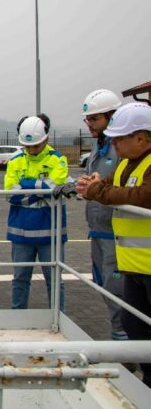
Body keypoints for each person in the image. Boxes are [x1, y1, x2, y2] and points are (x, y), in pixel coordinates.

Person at [76, 102, 151, 386]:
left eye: (121, 138)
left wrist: (100, 191)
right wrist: (94, 185)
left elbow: (143, 196)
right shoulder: (127, 165)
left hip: (146, 266)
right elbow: (104, 185)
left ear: (141, 138)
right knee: (135, 326)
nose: (115, 143)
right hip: (134, 265)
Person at [5, 114, 68, 311]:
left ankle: (58, 319)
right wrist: (42, 190)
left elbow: (55, 187)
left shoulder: (59, 160)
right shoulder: (15, 161)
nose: (31, 151)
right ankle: (18, 319)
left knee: (54, 280)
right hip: (20, 233)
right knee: (20, 280)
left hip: (51, 234)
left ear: (46, 139)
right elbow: (9, 194)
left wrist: (25, 185)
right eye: (27, 147)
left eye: (35, 146)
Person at [79, 89, 127, 340]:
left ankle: (123, 341)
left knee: (116, 288)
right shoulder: (98, 147)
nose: (90, 125)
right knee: (104, 285)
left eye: (95, 119)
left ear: (112, 116)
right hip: (97, 229)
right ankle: (120, 337)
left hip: (117, 232)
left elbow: (123, 188)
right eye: (87, 120)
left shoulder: (121, 149)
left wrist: (98, 189)